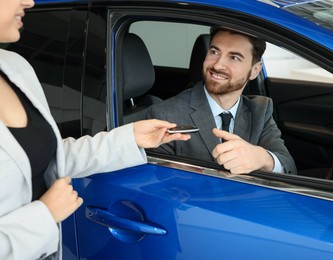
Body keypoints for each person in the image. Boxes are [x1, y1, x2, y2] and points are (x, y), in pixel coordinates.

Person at [0, 0, 190, 259]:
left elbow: (50, 157)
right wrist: (43, 216)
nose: (29, 1)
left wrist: (130, 138)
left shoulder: (15, 67)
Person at [147, 25, 297, 175]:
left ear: (255, 71)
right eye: (214, 52)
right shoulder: (165, 115)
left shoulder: (260, 110)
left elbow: (288, 166)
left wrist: (262, 158)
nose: (218, 65)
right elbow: (160, 182)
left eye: (234, 57)